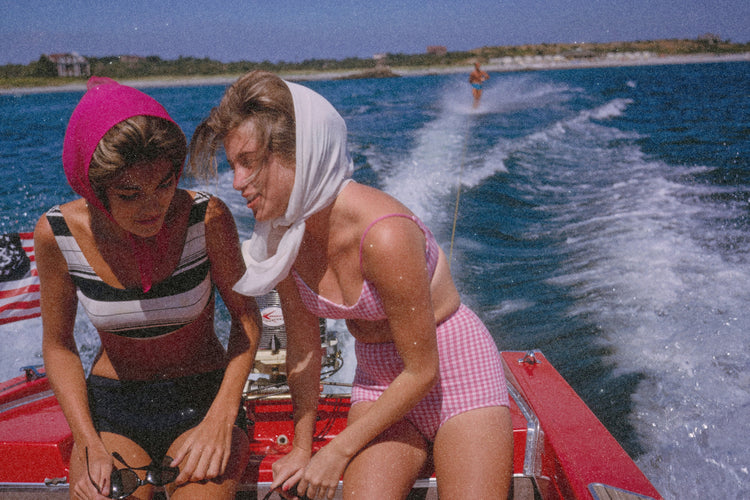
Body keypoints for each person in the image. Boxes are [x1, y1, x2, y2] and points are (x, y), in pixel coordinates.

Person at [189, 70, 513, 500]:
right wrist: (303, 447)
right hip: (379, 380)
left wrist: (336, 451)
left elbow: (423, 371)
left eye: (249, 161)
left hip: (454, 373)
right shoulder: (284, 236)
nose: (236, 182)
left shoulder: (385, 234)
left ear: (299, 154)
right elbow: (304, 351)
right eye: (232, 165)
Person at [34, 77, 261, 500]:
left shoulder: (206, 219)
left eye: (163, 184)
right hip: (113, 411)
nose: (152, 205)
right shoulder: (57, 234)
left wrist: (222, 417)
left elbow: (246, 321)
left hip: (204, 399)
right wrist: (86, 440)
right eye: (129, 193)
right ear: (96, 190)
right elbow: (59, 345)